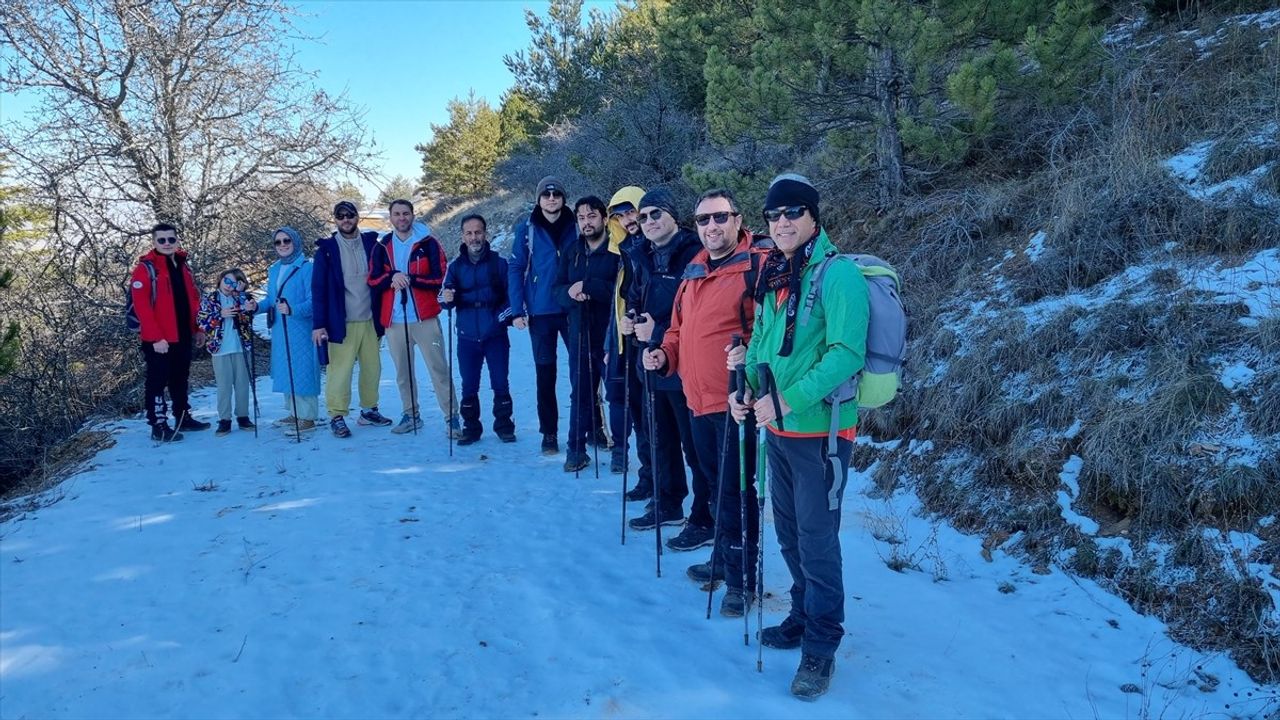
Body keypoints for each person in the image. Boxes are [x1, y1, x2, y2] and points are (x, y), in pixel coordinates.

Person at [727, 173, 869, 701]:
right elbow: (764, 342)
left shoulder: (841, 276)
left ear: (813, 215)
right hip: (777, 431)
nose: (781, 222)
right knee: (787, 530)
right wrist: (747, 388)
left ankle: (822, 645)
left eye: (792, 212)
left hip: (822, 434)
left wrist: (787, 399)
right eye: (773, 215)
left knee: (816, 537)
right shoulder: (777, 274)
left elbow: (846, 353)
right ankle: (802, 614)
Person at [643, 188, 765, 609]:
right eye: (703, 220)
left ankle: (741, 579)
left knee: (734, 491)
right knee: (714, 487)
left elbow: (770, 330)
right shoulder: (694, 269)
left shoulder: (758, 266)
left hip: (736, 400)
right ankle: (723, 557)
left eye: (719, 218)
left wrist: (751, 355)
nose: (711, 227)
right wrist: (664, 354)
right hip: (697, 399)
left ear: (737, 219)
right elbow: (678, 328)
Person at [621, 188, 706, 532]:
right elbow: (634, 295)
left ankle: (705, 514)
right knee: (661, 439)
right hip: (651, 362)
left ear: (673, 215)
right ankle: (668, 502)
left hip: (687, 365)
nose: (649, 221)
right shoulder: (640, 254)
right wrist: (630, 319)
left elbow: (700, 313)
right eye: (643, 217)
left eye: (656, 213)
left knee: (695, 446)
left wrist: (659, 332)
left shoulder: (695, 253)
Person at [368, 198, 460, 436]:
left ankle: (451, 418)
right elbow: (373, 279)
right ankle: (411, 415)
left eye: (406, 213)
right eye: (397, 214)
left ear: (413, 216)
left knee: (438, 369)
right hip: (395, 320)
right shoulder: (382, 246)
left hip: (425, 317)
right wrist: (391, 279)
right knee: (403, 373)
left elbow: (439, 277)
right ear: (390, 218)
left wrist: (410, 279)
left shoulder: (428, 243)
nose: (402, 218)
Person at [311, 200, 394, 438]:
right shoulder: (326, 250)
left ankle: (369, 410)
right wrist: (319, 324)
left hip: (369, 318)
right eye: (340, 216)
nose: (345, 219)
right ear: (335, 220)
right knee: (340, 370)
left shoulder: (371, 244)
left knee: (372, 368)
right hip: (341, 321)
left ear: (357, 217)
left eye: (350, 215)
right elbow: (318, 289)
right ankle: (336, 415)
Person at [507, 176, 577, 454]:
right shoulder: (527, 229)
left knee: (583, 371)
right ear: (538, 199)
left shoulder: (576, 225)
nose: (551, 199)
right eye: (546, 195)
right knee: (545, 375)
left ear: (563, 198)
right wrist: (516, 309)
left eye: (556, 194)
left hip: (573, 308)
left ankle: (591, 426)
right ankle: (549, 432)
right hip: (541, 311)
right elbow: (515, 268)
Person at [553, 196, 620, 473]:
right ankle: (575, 450)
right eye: (581, 218)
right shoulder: (572, 251)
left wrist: (589, 285)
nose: (586, 222)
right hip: (579, 333)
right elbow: (557, 290)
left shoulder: (617, 251)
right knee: (579, 393)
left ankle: (619, 452)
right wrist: (570, 293)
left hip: (610, 336)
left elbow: (620, 290)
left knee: (615, 394)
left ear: (604, 219)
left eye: (591, 216)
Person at [440, 213, 515, 445]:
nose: (474, 238)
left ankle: (504, 426)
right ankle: (471, 427)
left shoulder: (499, 264)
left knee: (500, 381)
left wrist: (501, 319)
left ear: (486, 233)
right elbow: (443, 299)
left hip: (495, 335)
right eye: (469, 233)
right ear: (463, 236)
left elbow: (512, 297)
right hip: (466, 336)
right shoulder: (455, 267)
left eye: (478, 232)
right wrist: (447, 298)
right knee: (469, 383)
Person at [130, 222, 209, 442]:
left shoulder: (182, 265)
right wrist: (156, 337)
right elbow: (141, 306)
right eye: (161, 240)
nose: (167, 243)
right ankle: (158, 425)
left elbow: (192, 299)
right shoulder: (146, 269)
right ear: (154, 242)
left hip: (182, 333)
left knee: (180, 378)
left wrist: (198, 328)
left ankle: (183, 417)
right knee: (157, 381)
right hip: (159, 338)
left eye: (171, 239)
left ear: (177, 241)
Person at [603, 186, 646, 476]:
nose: (627, 219)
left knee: (649, 413)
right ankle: (637, 467)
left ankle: (658, 479)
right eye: (619, 215)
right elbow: (615, 304)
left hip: (650, 341)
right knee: (624, 401)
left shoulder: (654, 248)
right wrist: (610, 344)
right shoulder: (623, 252)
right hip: (622, 339)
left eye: (631, 211)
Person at [262, 226, 320, 437]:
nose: (283, 245)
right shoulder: (274, 269)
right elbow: (271, 299)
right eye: (278, 242)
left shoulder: (306, 268)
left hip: (301, 329)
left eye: (287, 240)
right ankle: (294, 413)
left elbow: (314, 302)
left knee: (302, 369)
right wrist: (255, 307)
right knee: (286, 369)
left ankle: (308, 417)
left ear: (295, 242)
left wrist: (293, 309)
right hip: (280, 328)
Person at [196, 268, 258, 436]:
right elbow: (202, 323)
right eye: (227, 281)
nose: (229, 286)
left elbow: (248, 319)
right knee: (224, 387)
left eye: (234, 283)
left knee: (242, 384)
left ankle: (243, 416)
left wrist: (248, 307)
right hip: (220, 349)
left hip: (240, 347)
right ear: (220, 279)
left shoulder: (240, 298)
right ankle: (225, 420)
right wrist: (220, 315)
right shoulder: (210, 299)